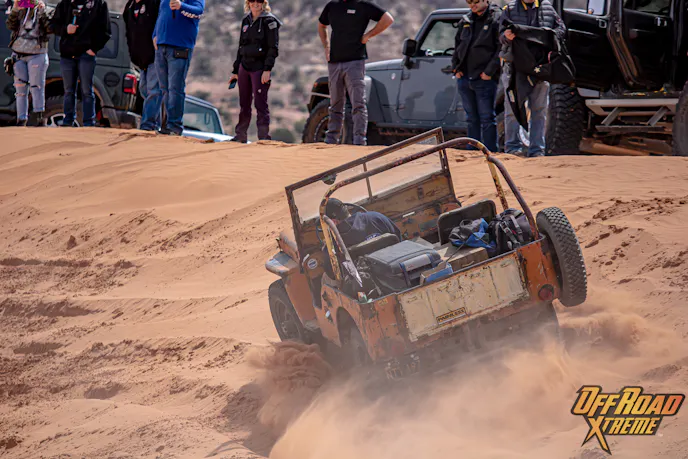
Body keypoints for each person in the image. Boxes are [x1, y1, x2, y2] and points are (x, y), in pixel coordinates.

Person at [317, 0, 394, 146]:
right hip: (334, 62)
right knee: (335, 104)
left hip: (355, 62)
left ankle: (359, 141)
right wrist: (326, 46)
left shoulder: (363, 5)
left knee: (358, 103)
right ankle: (331, 140)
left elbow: (388, 19)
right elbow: (321, 25)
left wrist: (368, 35)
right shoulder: (332, 5)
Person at [499, 0, 565, 157]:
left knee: (539, 110)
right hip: (514, 68)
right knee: (512, 110)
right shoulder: (510, 9)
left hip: (540, 68)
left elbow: (561, 30)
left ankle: (537, 150)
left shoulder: (547, 8)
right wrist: (507, 36)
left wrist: (549, 35)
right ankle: (512, 149)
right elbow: (500, 35)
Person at [451, 0, 501, 152]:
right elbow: (457, 45)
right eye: (469, 1)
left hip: (484, 78)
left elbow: (501, 49)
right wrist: (456, 68)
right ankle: (472, 152)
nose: (472, 4)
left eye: (476, 1)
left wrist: (489, 72)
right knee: (471, 119)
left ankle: (490, 152)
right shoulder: (466, 20)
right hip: (465, 77)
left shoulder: (496, 18)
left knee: (487, 118)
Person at [228, 0, 281, 143]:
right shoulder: (246, 20)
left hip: (260, 69)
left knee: (260, 104)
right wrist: (235, 70)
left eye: (259, 1)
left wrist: (267, 69)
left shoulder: (270, 21)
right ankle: (240, 135)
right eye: (252, 0)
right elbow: (241, 46)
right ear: (248, 3)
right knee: (244, 103)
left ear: (264, 3)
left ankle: (263, 138)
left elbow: (273, 48)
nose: (256, 3)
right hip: (244, 67)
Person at [50, 0, 111, 127]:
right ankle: (68, 121)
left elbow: (106, 31)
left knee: (87, 90)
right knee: (68, 90)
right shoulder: (64, 4)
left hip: (86, 55)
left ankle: (89, 122)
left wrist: (93, 48)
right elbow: (53, 26)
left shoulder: (99, 4)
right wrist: (66, 29)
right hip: (67, 55)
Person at [152, 0, 204, 135]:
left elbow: (199, 10)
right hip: (161, 46)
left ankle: (174, 126)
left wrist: (181, 6)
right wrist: (155, 35)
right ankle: (165, 126)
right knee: (164, 89)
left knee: (175, 88)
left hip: (180, 47)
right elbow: (161, 13)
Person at [6, 0, 50, 126]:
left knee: (37, 86)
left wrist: (42, 11)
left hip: (37, 54)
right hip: (18, 54)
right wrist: (15, 9)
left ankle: (39, 117)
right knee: (20, 88)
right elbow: (10, 25)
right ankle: (21, 119)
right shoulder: (21, 10)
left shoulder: (44, 10)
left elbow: (50, 28)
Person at [123, 0, 162, 131]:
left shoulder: (154, 3)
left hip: (155, 56)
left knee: (153, 91)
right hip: (140, 58)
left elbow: (162, 22)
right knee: (144, 90)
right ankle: (155, 124)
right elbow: (128, 32)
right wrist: (132, 52)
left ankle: (148, 125)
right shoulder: (129, 7)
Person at [325, 198, 401, 248]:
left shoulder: (333, 242)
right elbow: (398, 238)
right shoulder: (376, 217)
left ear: (333, 221)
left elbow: (330, 265)